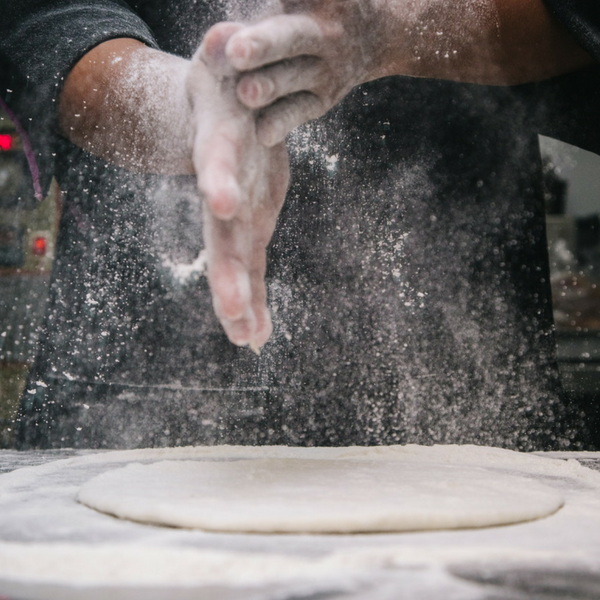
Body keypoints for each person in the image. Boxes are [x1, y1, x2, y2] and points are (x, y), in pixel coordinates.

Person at [0, 0, 595, 449]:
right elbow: (52, 22)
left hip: (465, 389)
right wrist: (191, 112)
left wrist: (392, 25)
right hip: (140, 410)